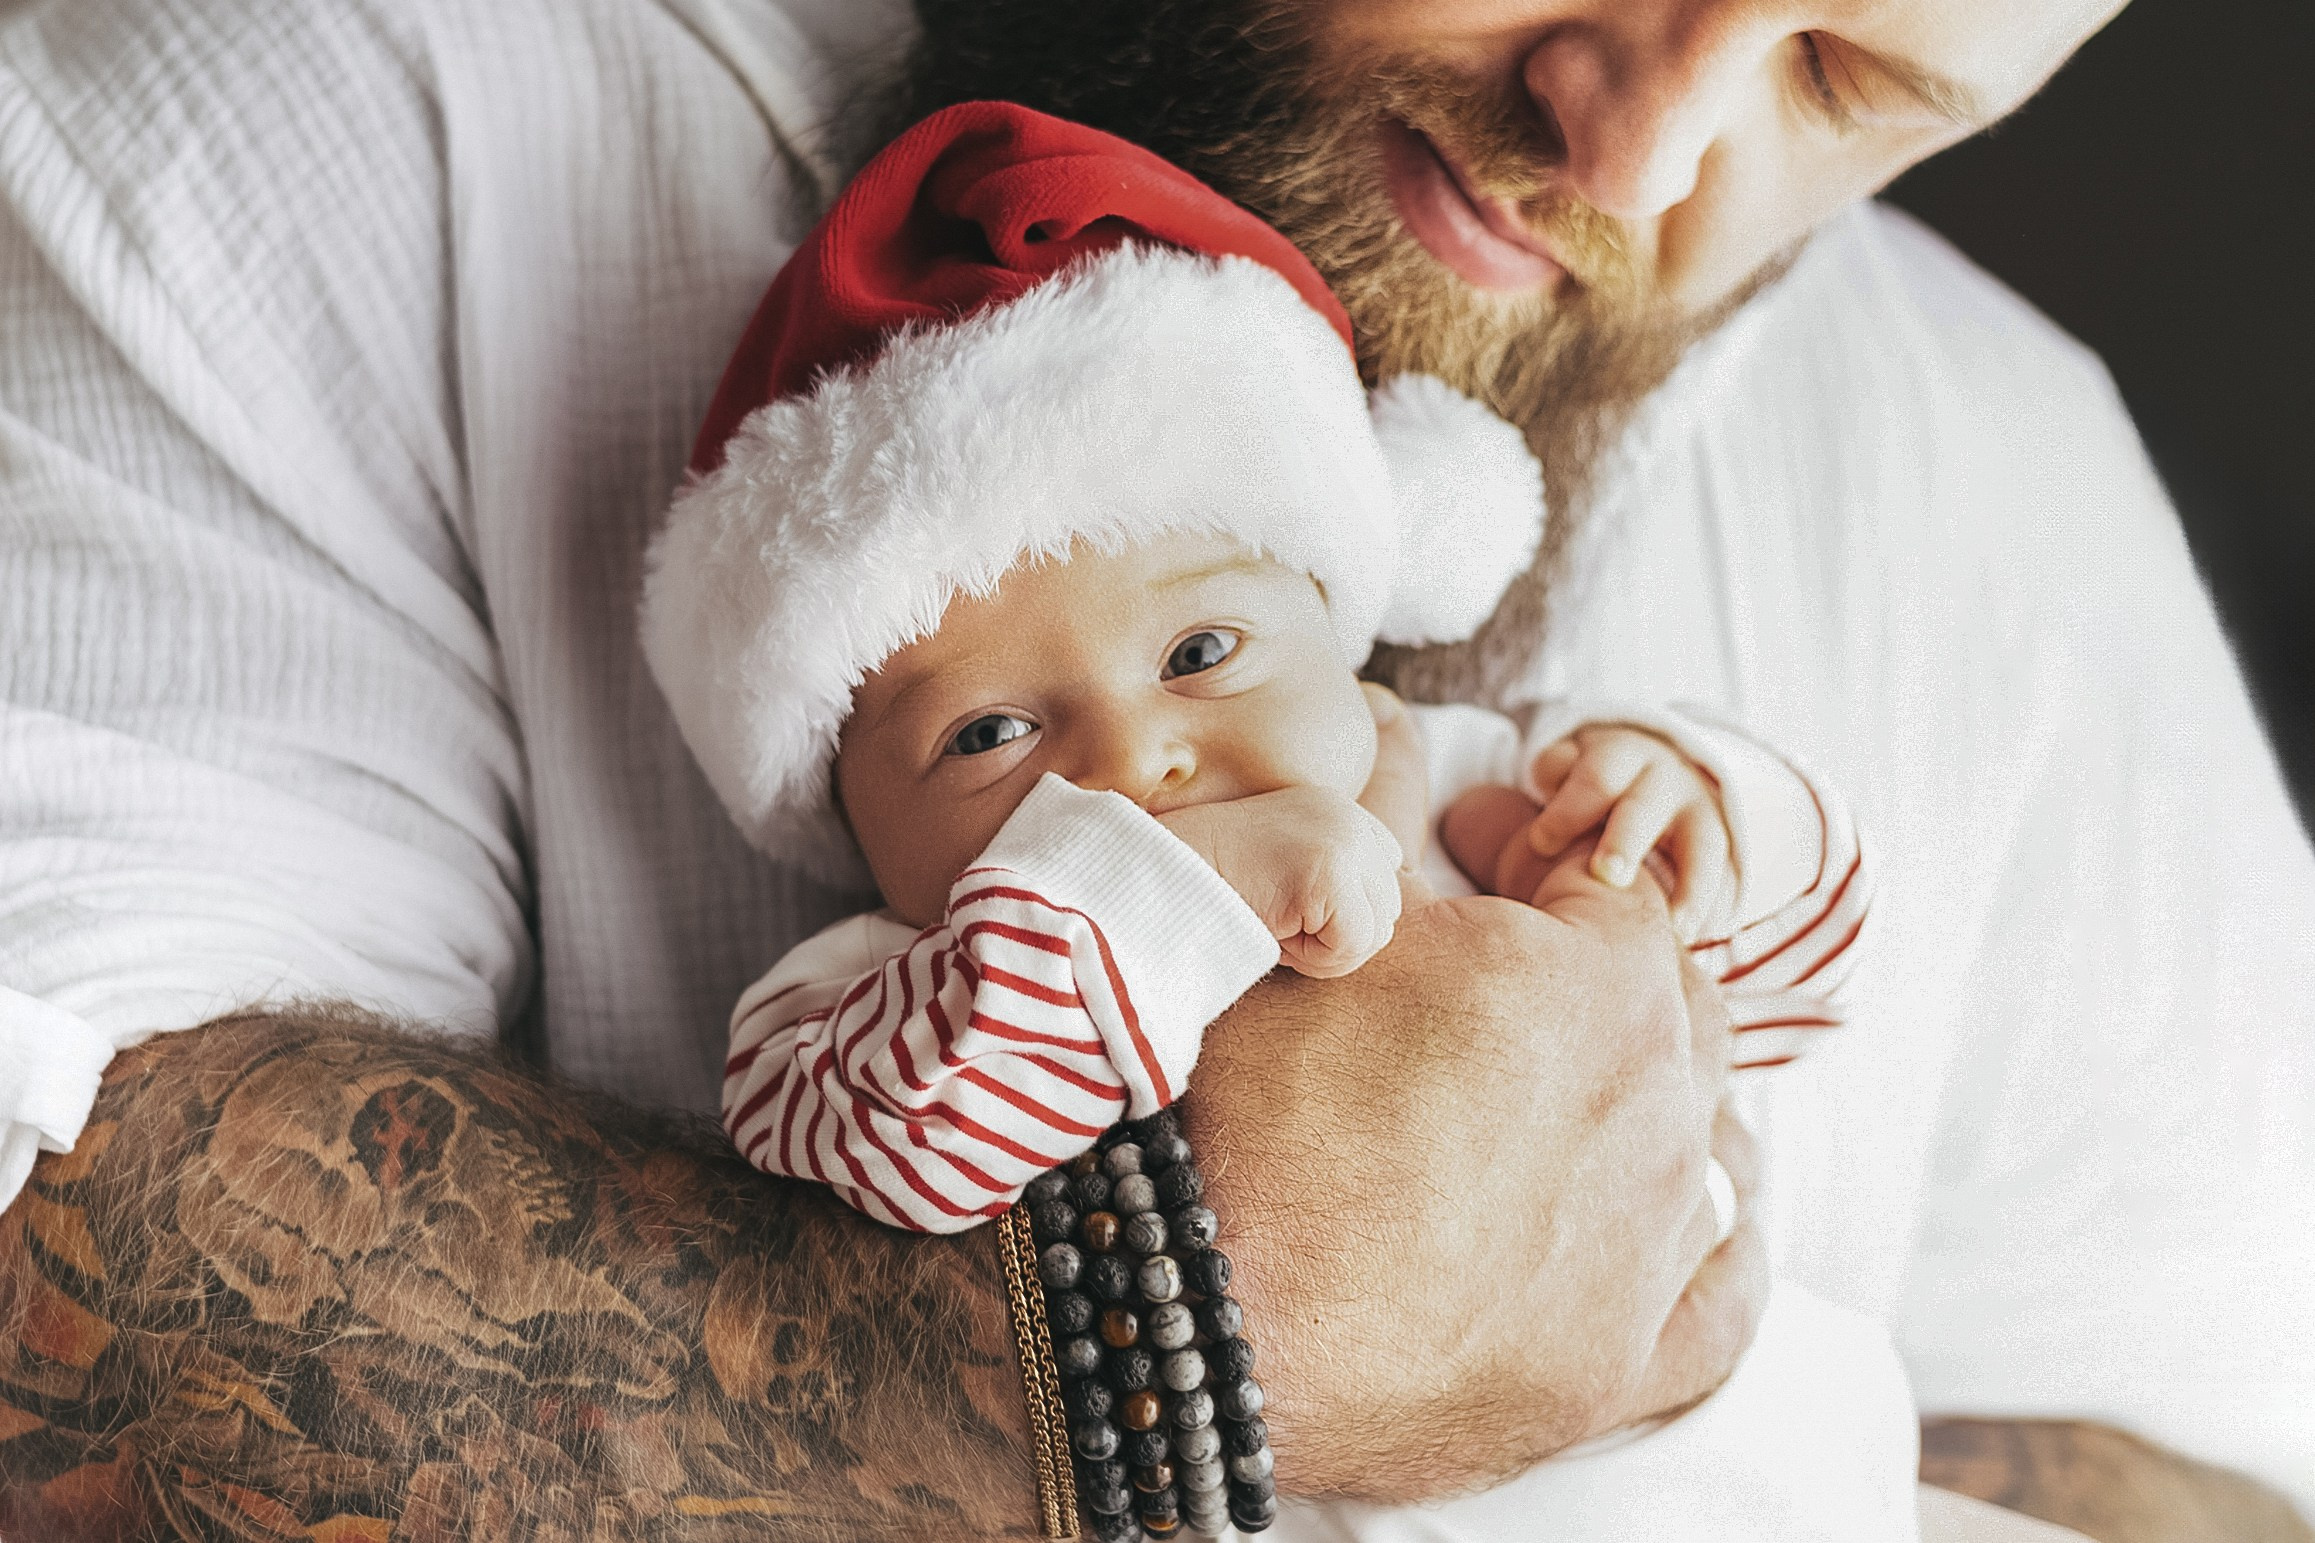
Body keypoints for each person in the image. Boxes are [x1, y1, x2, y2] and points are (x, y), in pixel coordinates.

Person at [0, 2, 2307, 1542]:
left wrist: (1723, 1407)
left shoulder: (1998, 476)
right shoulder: (313, 94)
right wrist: (1150, 1342)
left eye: (1837, 74)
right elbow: (50, 1245)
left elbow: (2204, 1454)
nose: (1641, 137)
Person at [643, 103, 1867, 1244]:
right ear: (849, 818)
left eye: (1198, 653)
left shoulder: (1472, 789)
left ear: (1340, 638)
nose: (1125, 760)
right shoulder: (863, 1008)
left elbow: (1789, 996)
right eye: (986, 733)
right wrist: (1181, 899)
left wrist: (1679, 826)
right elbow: (900, 1150)